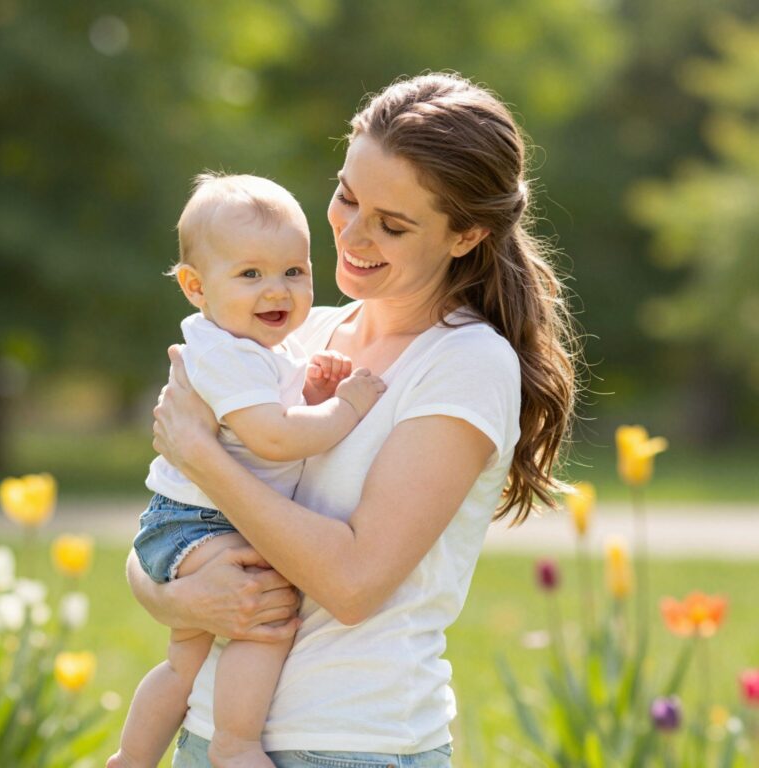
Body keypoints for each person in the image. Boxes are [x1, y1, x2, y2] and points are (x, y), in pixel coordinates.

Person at [132, 72, 577, 768]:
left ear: (466, 235)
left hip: (353, 743)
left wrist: (203, 456)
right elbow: (166, 531)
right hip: (213, 735)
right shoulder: (291, 335)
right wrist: (180, 601)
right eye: (347, 196)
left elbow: (353, 584)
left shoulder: (466, 364)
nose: (352, 232)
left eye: (392, 224)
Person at [109, 173, 386, 768]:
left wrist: (309, 389)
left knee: (183, 662)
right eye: (250, 274)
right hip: (198, 522)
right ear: (195, 287)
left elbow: (271, 417)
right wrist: (347, 406)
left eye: (294, 271)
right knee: (266, 612)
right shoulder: (228, 353)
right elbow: (274, 437)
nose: (277, 291)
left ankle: (130, 760)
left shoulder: (266, 348)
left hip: (181, 521)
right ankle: (235, 744)